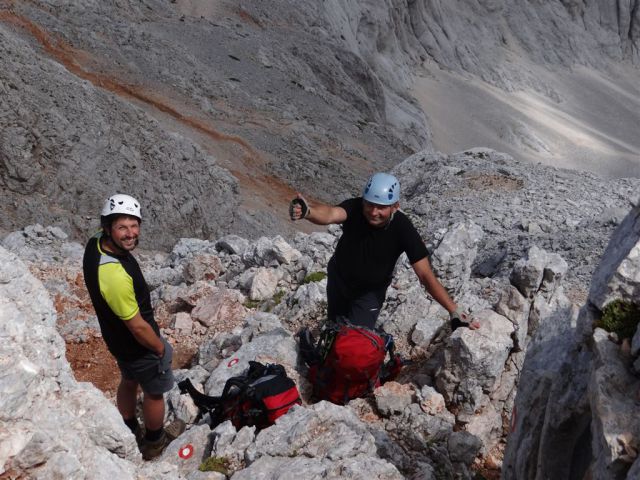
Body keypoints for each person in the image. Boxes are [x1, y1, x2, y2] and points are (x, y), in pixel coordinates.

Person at [289, 172, 480, 331]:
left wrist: (453, 309)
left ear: (395, 206)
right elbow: (331, 214)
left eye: (381, 207)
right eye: (370, 204)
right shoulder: (355, 208)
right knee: (334, 325)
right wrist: (309, 212)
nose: (373, 212)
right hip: (339, 279)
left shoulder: (403, 228)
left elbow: (424, 274)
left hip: (369, 293)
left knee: (358, 339)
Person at [82, 194, 185, 460]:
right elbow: (137, 326)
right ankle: (154, 442)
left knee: (129, 379)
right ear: (108, 228)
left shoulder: (96, 244)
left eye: (134, 225)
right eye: (122, 227)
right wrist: (160, 348)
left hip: (117, 340)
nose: (130, 234)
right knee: (153, 392)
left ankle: (128, 427)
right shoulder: (113, 273)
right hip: (138, 344)